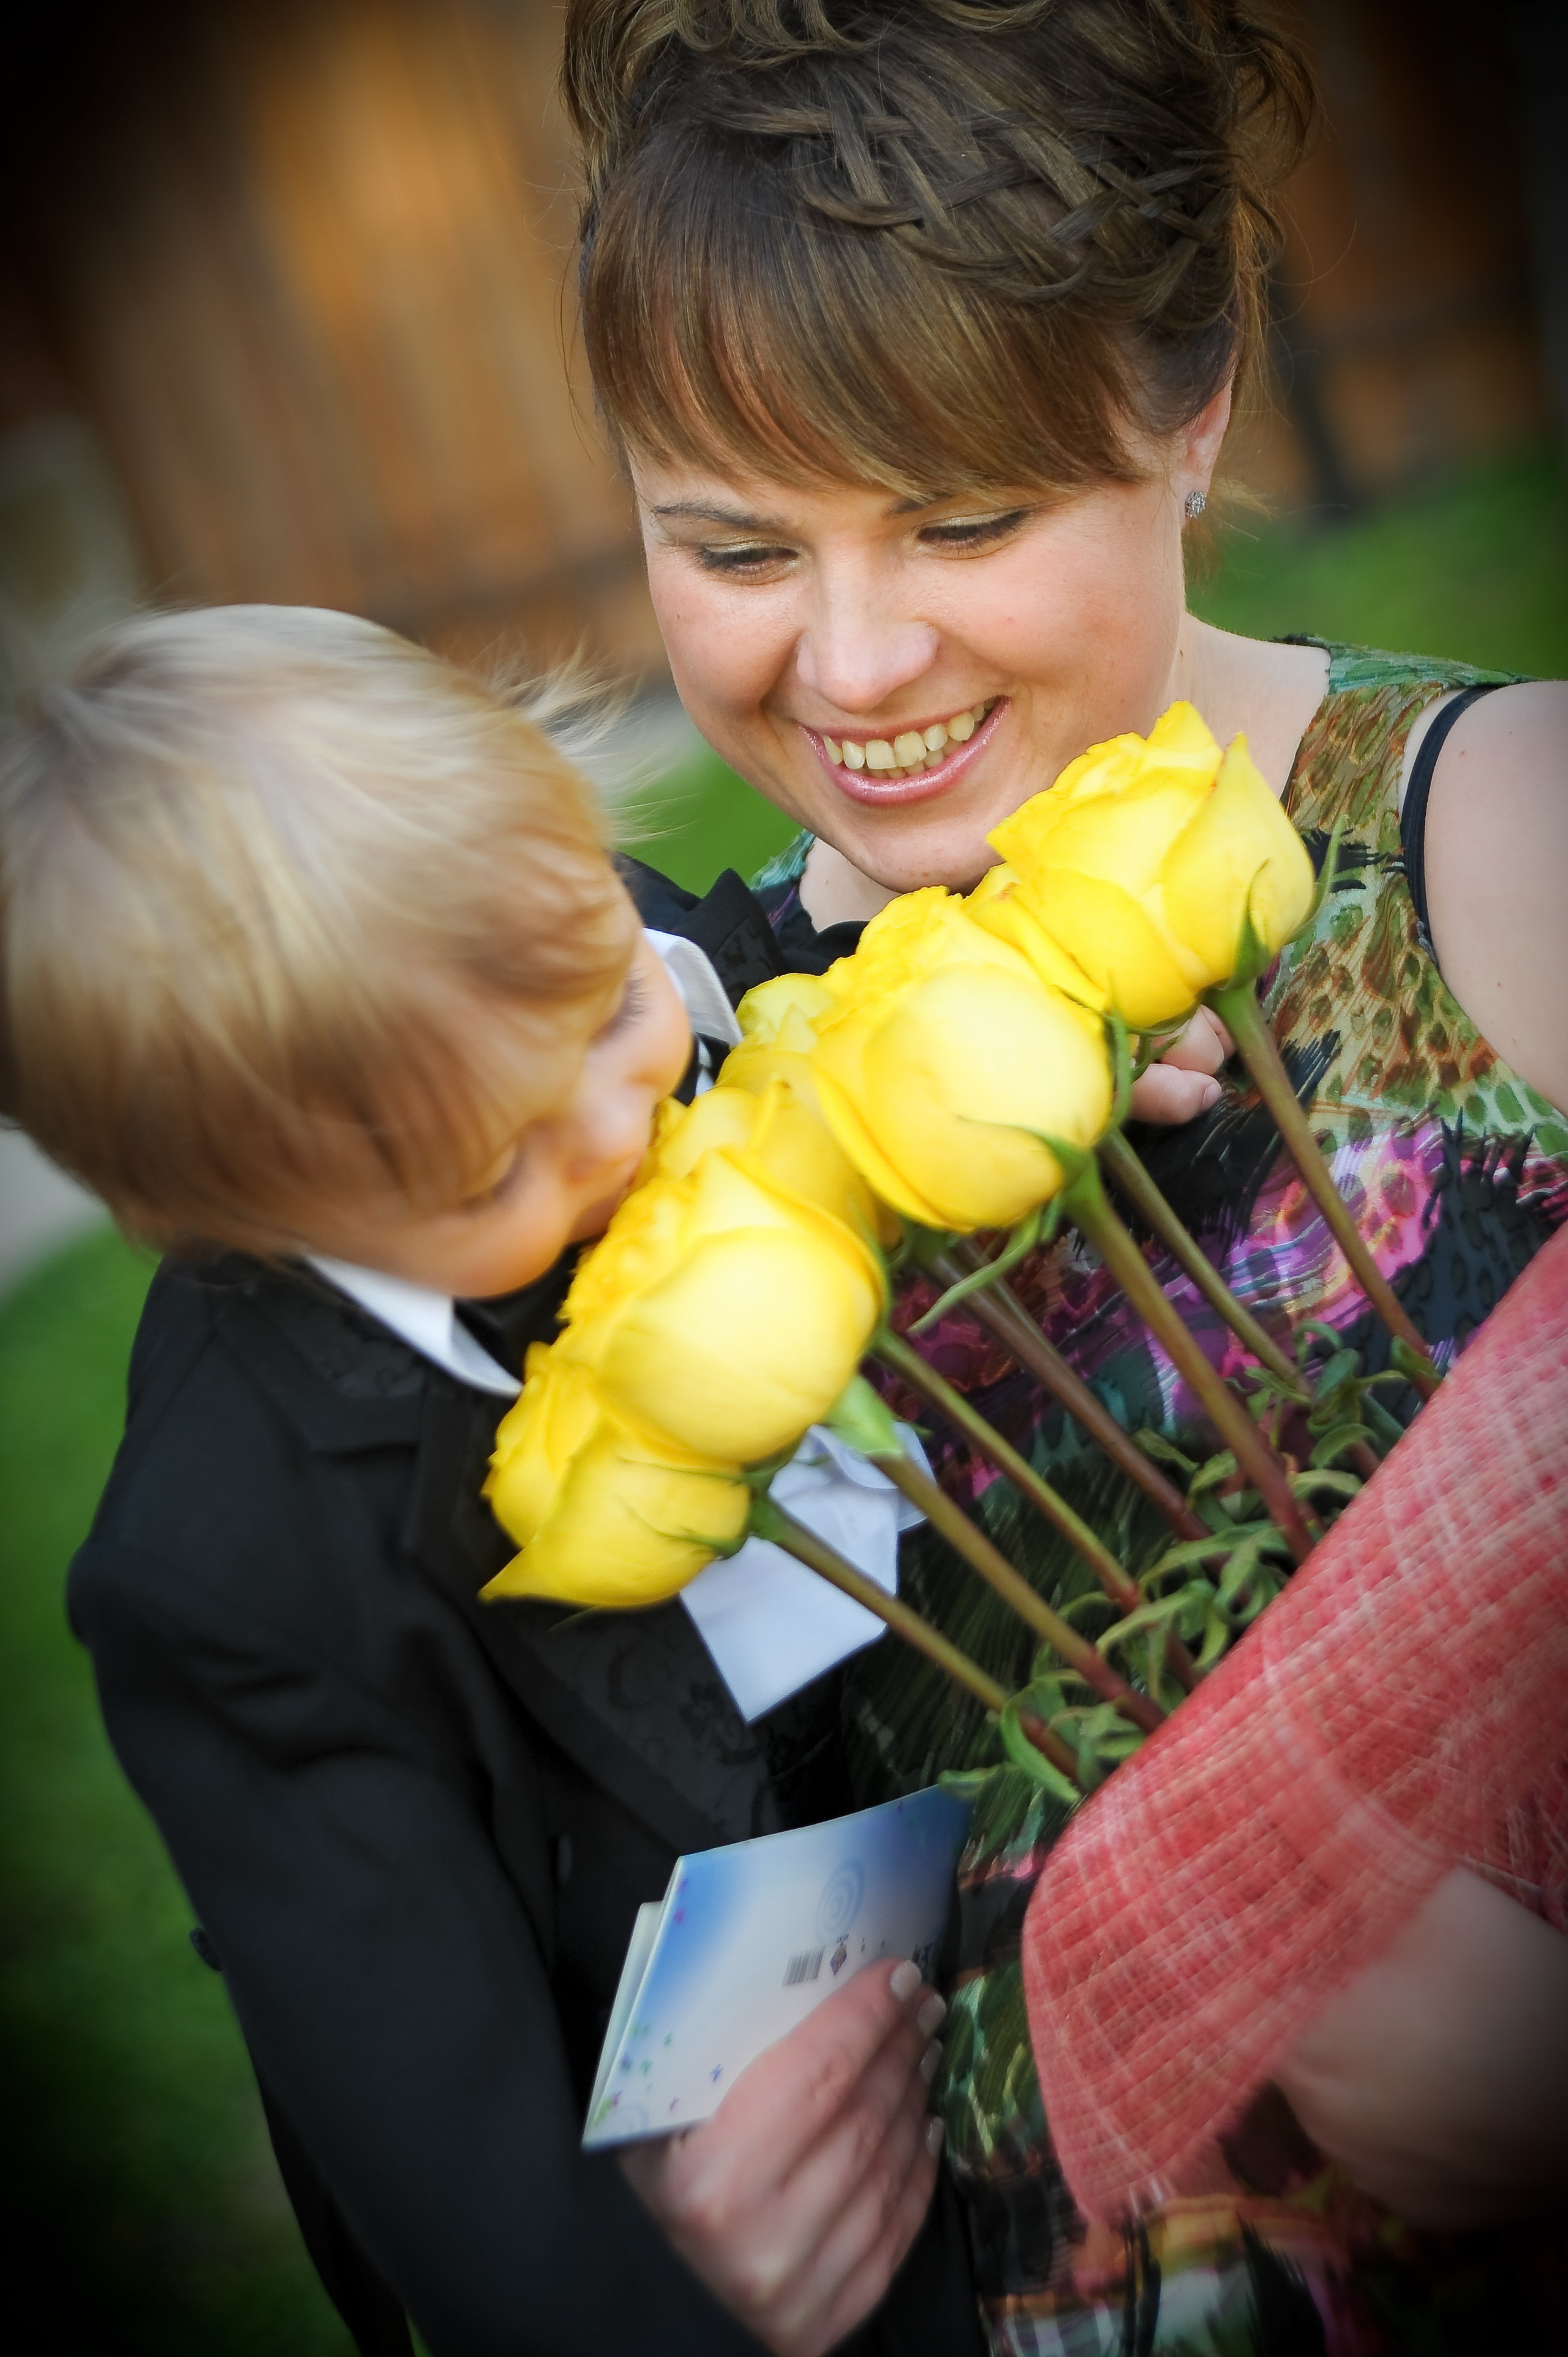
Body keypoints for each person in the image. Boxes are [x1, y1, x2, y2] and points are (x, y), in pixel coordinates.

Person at [559, 0, 1568, 2342]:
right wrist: (682, 2224)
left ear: (1192, 411)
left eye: (970, 515)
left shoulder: (1507, 851)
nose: (855, 655)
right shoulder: (657, 1101)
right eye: (730, 542)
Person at [0, 603, 999, 2357]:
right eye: (489, 1173)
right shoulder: (235, 1574)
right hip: (768, 2165)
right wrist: (665, 2306)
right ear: (254, 1211)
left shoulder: (635, 968)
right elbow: (436, 2136)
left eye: (611, 1002)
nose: (618, 1130)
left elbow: (810, 1020)